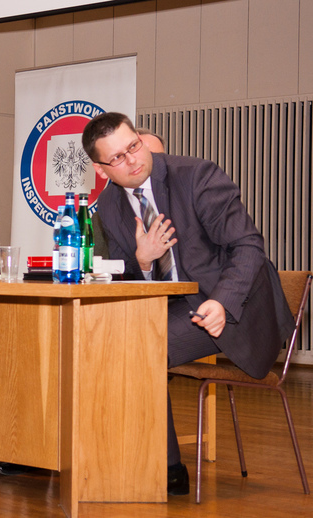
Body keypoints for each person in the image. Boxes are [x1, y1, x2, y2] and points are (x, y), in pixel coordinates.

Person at [80, 112, 295, 496]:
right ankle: (107, 456)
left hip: (230, 304)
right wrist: (144, 261)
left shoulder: (196, 176)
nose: (133, 160)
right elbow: (123, 278)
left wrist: (223, 303)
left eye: (134, 146)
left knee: (141, 347)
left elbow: (248, 246)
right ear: (100, 169)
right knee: (99, 342)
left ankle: (167, 469)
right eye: (118, 158)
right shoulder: (109, 205)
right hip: (171, 306)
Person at [93, 128, 165, 259]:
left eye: (157, 157)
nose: (148, 163)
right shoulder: (108, 213)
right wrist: (143, 262)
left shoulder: (185, 201)